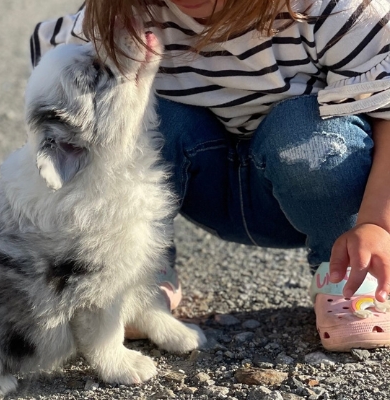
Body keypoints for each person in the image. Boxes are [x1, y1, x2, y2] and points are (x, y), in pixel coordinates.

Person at [30, 0, 390, 352]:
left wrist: (377, 223)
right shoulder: (125, 15)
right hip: (203, 185)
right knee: (136, 116)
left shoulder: (333, 12)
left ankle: (349, 274)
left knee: (302, 129)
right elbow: (57, 98)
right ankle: (136, 275)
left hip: (314, 187)